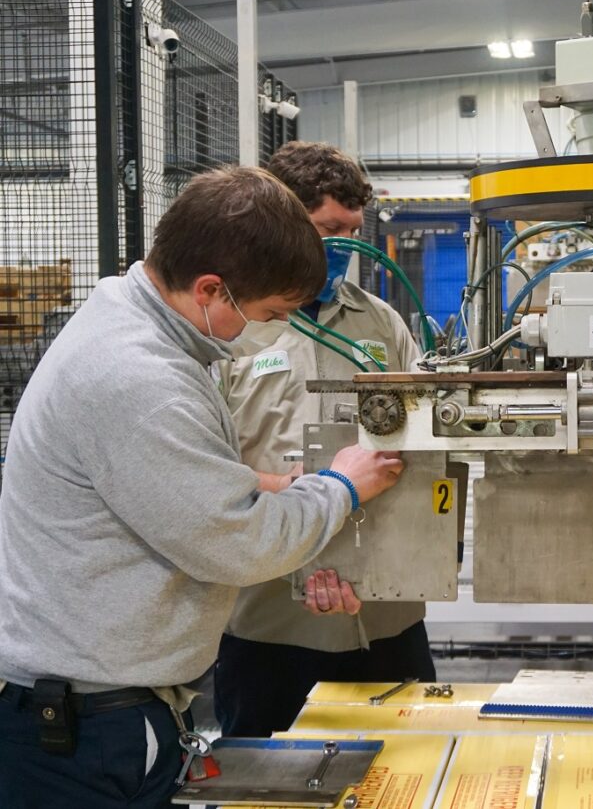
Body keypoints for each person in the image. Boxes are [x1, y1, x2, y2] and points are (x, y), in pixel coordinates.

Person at [0, 166, 404, 809]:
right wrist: (339, 485)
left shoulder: (122, 314)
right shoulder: (140, 378)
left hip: (99, 706)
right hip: (90, 730)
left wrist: (279, 481)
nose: (260, 332)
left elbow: (172, 481)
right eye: (267, 314)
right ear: (212, 289)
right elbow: (241, 544)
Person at [214, 141, 436, 739]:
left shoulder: (381, 322)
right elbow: (210, 473)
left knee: (403, 774)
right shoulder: (233, 333)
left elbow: (422, 449)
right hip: (271, 626)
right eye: (326, 230)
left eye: (352, 230)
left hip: (383, 615)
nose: (342, 246)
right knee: (264, 789)